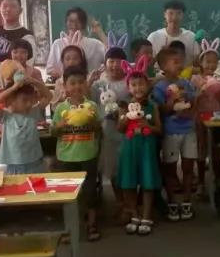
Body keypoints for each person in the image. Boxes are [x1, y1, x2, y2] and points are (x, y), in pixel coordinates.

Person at [52, 66, 102, 241]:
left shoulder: (92, 106)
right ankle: (69, 228)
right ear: (65, 86)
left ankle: (92, 224)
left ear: (86, 85)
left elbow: (99, 129)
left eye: (81, 82)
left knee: (90, 193)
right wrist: (60, 125)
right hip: (66, 157)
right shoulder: (60, 108)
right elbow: (53, 132)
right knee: (68, 194)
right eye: (72, 83)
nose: (77, 86)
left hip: (88, 155)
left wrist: (92, 121)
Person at [152, 47, 198, 221]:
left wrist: (190, 102)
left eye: (181, 61)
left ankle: (187, 201)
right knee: (170, 169)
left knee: (188, 167)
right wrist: (171, 100)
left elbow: (193, 104)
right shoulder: (159, 87)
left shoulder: (186, 83)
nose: (180, 65)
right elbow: (162, 111)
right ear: (164, 66)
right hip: (170, 132)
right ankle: (172, 201)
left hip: (189, 130)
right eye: (175, 62)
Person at [116, 68, 162, 236]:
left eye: (141, 84)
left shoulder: (153, 106)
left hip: (147, 149)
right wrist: (126, 118)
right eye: (133, 85)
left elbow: (159, 130)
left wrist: (148, 126)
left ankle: (146, 216)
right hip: (129, 149)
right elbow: (120, 128)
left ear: (147, 86)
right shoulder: (124, 106)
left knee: (147, 182)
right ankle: (134, 214)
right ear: (128, 88)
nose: (138, 88)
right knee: (128, 182)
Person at [91, 47, 131, 211]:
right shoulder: (99, 85)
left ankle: (130, 204)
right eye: (111, 61)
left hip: (127, 132)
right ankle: (120, 203)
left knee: (127, 169)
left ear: (125, 64)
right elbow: (90, 102)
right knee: (113, 169)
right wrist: (89, 81)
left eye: (119, 62)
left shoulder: (129, 82)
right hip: (107, 134)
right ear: (105, 63)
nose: (114, 65)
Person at [0, 76, 52, 175]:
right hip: (14, 166)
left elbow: (49, 96)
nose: (29, 104)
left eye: (31, 100)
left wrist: (34, 81)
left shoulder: (33, 112)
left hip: (35, 163)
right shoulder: (6, 116)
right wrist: (13, 88)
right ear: (11, 100)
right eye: (25, 100)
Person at [191, 40, 220, 199]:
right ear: (201, 62)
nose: (211, 65)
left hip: (215, 118)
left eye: (214, 62)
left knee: (216, 150)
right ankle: (201, 183)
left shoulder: (219, 79)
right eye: (208, 61)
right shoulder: (195, 79)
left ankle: (218, 182)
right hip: (199, 118)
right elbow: (191, 101)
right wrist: (200, 91)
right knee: (201, 151)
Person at [46, 7, 106, 78]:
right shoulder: (57, 44)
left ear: (83, 24)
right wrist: (67, 77)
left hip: (90, 83)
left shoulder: (95, 44)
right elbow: (50, 69)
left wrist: (100, 32)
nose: (74, 25)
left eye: (78, 21)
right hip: (64, 83)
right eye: (71, 21)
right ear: (66, 22)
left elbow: (112, 57)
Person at [0, 0, 38, 64]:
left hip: (14, 71)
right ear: (0, 9)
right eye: (4, 6)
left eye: (13, 6)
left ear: (20, 10)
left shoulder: (26, 37)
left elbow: (28, 65)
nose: (8, 9)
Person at [147, 0, 201, 66]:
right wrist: (162, 53)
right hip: (159, 72)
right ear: (165, 14)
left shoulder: (191, 36)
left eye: (179, 13)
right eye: (171, 13)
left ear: (182, 15)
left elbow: (197, 63)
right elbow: (147, 64)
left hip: (185, 72)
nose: (174, 17)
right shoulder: (154, 37)